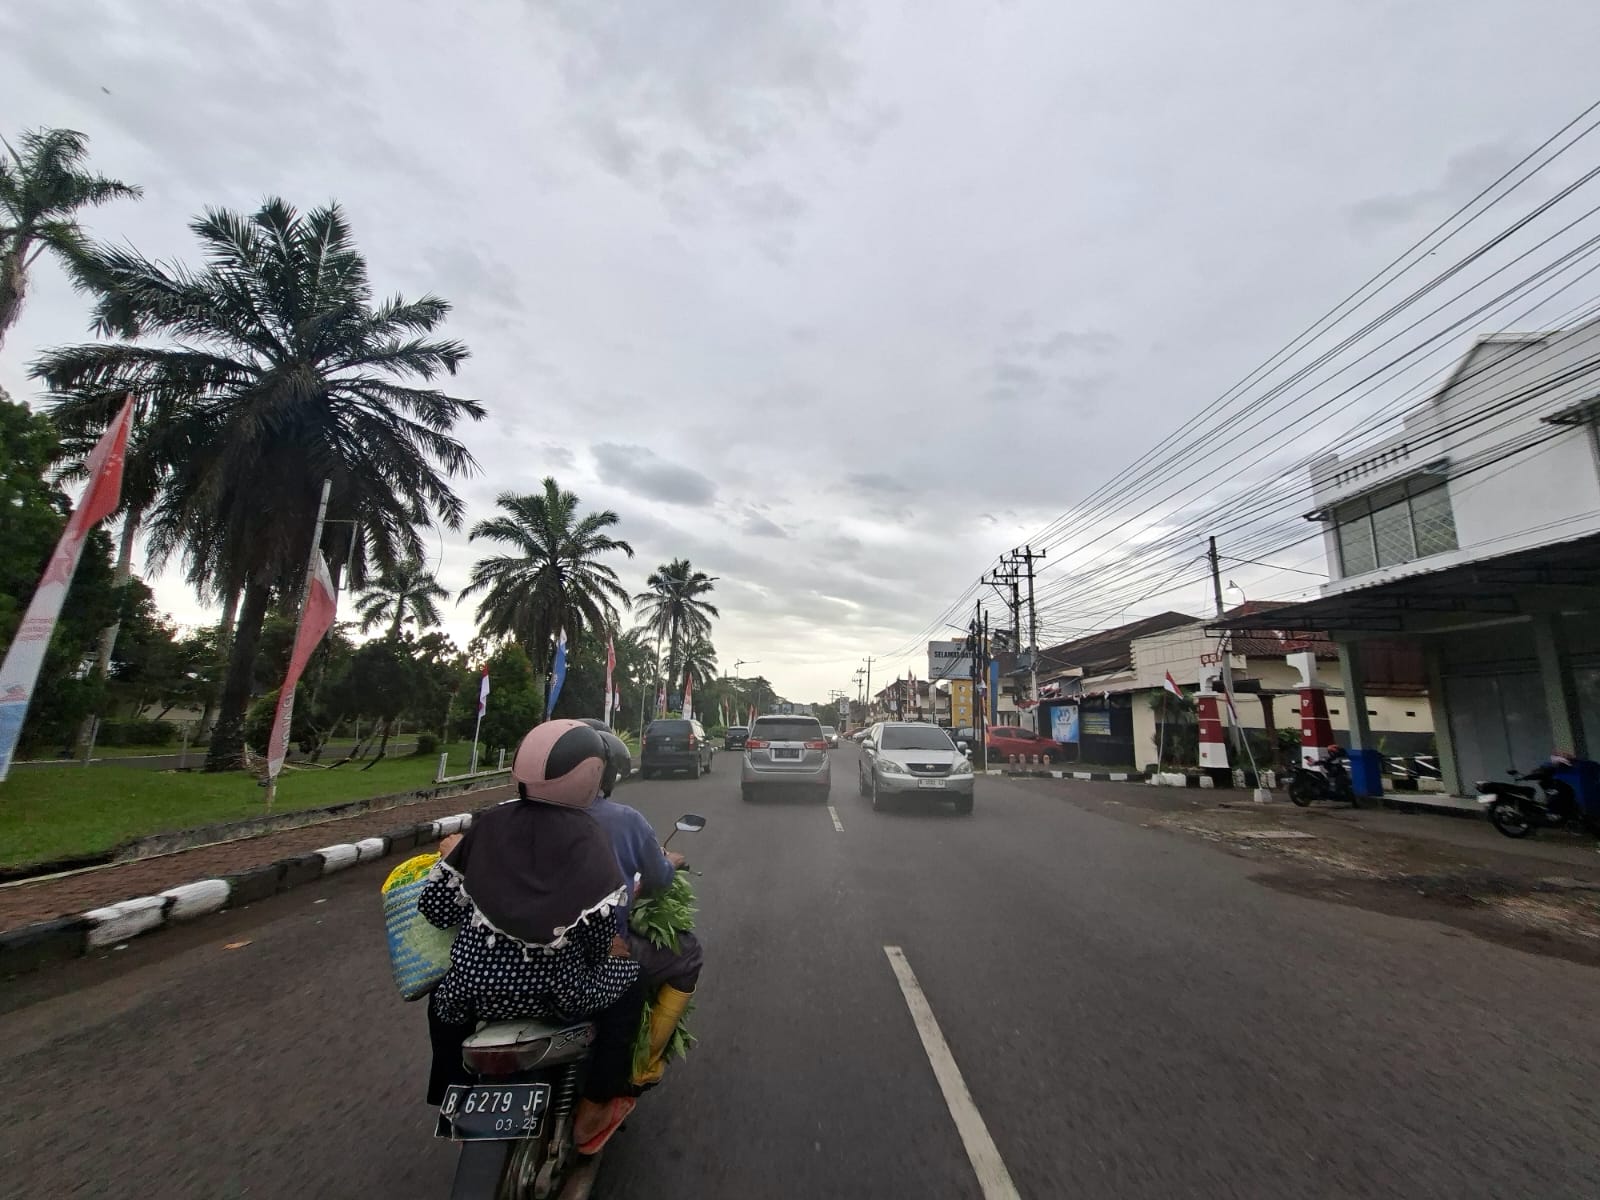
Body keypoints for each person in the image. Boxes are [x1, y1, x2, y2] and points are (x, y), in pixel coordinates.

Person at [418, 718, 642, 1154]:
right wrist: (608, 952)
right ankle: (596, 1105)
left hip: (472, 991)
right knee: (632, 986)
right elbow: (598, 942)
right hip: (559, 996)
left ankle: (451, 1094)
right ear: (592, 776)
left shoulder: (488, 825)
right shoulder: (589, 838)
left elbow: (436, 909)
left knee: (440, 1000)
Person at [578, 719, 702, 1087]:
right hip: (595, 950)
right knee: (688, 953)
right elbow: (660, 877)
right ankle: (643, 1065)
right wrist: (670, 863)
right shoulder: (623, 820)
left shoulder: (503, 817)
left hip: (507, 957)